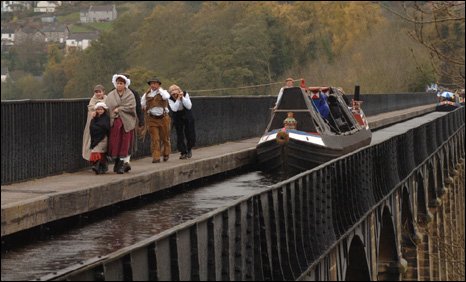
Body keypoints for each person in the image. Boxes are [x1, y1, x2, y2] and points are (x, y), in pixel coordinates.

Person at [106, 74, 137, 174]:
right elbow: (108, 106)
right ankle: (116, 163)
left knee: (124, 143)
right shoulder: (111, 95)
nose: (119, 85)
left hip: (126, 123)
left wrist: (120, 109)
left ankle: (121, 164)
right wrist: (115, 111)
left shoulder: (130, 94)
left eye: (121, 83)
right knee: (115, 143)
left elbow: (132, 107)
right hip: (115, 122)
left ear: (125, 84)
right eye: (118, 83)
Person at [118, 73, 144, 173]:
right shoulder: (114, 92)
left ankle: (125, 162)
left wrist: (141, 121)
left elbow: (138, 108)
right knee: (121, 142)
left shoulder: (133, 93)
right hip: (119, 121)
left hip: (130, 121)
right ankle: (123, 162)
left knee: (128, 141)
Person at [141, 77, 171, 163]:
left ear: (159, 84)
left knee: (165, 137)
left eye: (155, 83)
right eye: (151, 84)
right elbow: (142, 103)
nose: (153, 85)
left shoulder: (163, 92)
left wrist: (160, 90)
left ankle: (166, 152)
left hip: (163, 118)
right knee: (155, 139)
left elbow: (166, 97)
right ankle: (156, 156)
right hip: (152, 119)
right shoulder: (146, 94)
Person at [168, 84, 196, 159]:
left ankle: (189, 148)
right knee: (179, 134)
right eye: (172, 93)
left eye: (175, 92)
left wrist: (182, 98)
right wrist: (177, 100)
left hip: (186, 113)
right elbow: (174, 108)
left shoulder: (185, 94)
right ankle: (183, 151)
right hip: (177, 114)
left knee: (189, 132)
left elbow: (189, 106)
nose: (174, 94)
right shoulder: (170, 99)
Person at [82, 84, 107, 161]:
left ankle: (102, 160)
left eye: (100, 92)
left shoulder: (108, 99)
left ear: (103, 92)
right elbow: (91, 109)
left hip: (104, 126)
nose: (98, 94)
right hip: (94, 127)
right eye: (96, 92)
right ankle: (94, 160)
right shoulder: (92, 101)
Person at [89, 102, 110, 174]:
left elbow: (105, 127)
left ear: (104, 110)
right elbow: (91, 127)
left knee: (99, 152)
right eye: (98, 109)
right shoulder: (95, 118)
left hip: (103, 137)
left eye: (101, 109)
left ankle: (97, 166)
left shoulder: (106, 117)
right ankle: (100, 167)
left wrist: (97, 127)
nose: (99, 111)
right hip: (96, 138)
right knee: (97, 152)